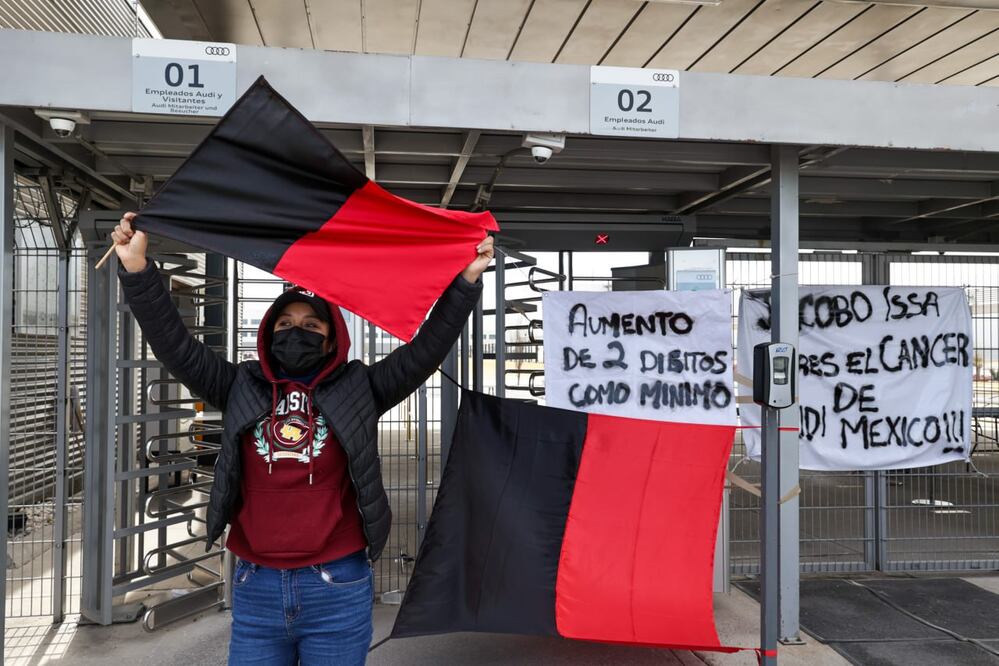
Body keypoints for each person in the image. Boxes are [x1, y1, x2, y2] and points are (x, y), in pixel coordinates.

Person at [111, 212, 493, 665]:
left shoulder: (360, 387)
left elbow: (425, 351)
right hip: (256, 584)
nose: (297, 332)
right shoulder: (238, 385)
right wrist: (137, 269)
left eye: (312, 326)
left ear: (331, 340)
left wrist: (466, 281)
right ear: (268, 333)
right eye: (285, 324)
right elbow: (176, 346)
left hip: (337, 582)